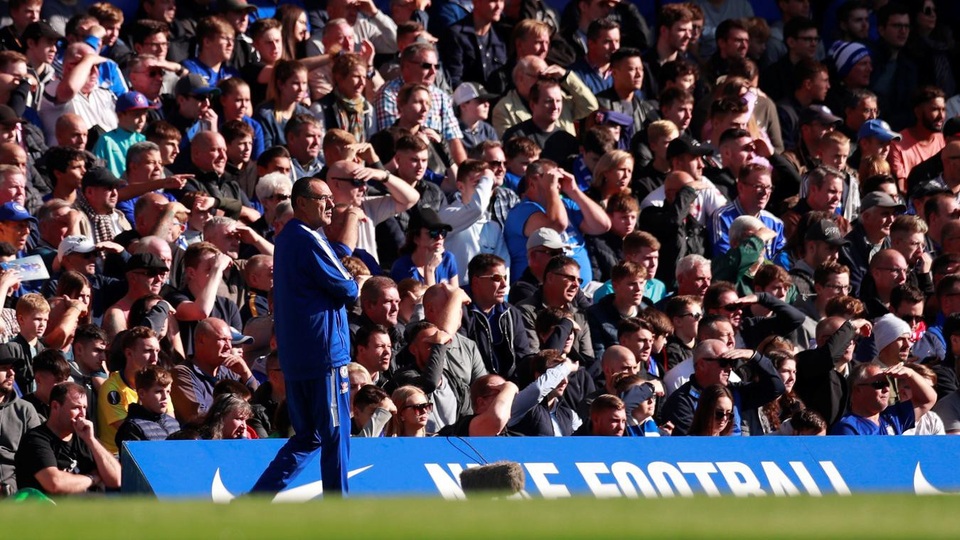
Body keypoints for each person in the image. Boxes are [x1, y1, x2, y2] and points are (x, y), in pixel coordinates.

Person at [251, 176, 358, 497]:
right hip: (325, 355)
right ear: (301, 203)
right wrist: (349, 283)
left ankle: (257, 499)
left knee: (309, 435)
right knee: (335, 434)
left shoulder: (286, 238)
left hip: (297, 356)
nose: (331, 205)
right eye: (323, 199)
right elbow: (348, 287)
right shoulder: (309, 238)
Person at [14, 382, 121, 495]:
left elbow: (116, 479)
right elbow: (54, 483)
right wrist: (92, 478)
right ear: (55, 406)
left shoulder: (85, 437)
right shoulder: (35, 440)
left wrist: (91, 440)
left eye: (84, 408)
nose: (82, 414)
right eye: (76, 408)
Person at [830, 362, 936, 435]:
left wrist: (910, 374)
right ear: (858, 390)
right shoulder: (847, 427)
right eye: (879, 384)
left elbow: (927, 400)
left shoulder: (892, 417)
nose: (886, 389)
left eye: (887, 384)